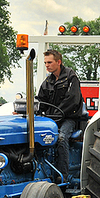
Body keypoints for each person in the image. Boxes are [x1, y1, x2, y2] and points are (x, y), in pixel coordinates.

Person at [37, 49, 84, 182]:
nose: (47, 65)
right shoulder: (48, 81)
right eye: (45, 62)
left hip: (69, 118)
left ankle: (62, 175)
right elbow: (41, 100)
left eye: (49, 62)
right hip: (52, 119)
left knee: (61, 138)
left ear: (58, 62)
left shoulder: (70, 77)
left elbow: (72, 100)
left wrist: (56, 116)